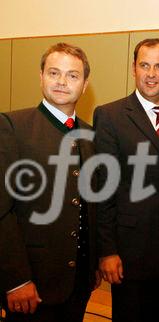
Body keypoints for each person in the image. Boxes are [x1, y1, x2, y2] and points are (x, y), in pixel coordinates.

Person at [0, 42, 99, 321]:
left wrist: (92, 265)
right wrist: (15, 280)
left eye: (72, 75)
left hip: (78, 284)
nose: (62, 82)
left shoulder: (91, 136)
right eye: (54, 73)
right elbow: (2, 211)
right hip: (31, 286)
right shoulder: (12, 127)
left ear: (85, 84)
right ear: (41, 76)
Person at [93, 38, 159, 322]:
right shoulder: (110, 116)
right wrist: (107, 251)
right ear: (134, 69)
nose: (151, 74)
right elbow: (103, 187)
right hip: (128, 252)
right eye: (144, 65)